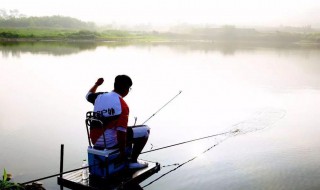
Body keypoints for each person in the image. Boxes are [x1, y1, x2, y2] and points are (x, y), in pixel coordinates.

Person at [86, 75, 149, 169]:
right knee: (145, 131)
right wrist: (122, 154)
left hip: (95, 141)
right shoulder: (122, 105)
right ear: (126, 89)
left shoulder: (99, 97)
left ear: (115, 85)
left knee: (125, 129)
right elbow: (121, 133)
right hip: (109, 142)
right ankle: (132, 161)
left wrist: (97, 84)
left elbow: (88, 95)